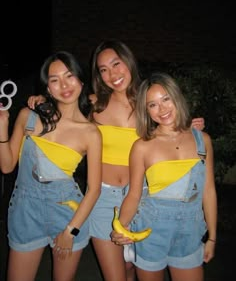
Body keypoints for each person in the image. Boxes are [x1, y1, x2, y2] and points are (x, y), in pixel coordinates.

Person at [27, 40, 205, 281]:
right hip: (103, 199)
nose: (112, 74)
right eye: (103, 70)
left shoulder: (149, 102)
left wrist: (189, 127)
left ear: (128, 62)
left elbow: (172, 124)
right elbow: (63, 104)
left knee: (134, 268)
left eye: (116, 64)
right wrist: (41, 99)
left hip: (143, 198)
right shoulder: (92, 103)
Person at [0, 51, 102, 281]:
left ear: (81, 80)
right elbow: (7, 166)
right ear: (47, 88)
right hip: (25, 212)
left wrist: (71, 230)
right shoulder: (29, 116)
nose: (63, 85)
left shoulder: (91, 132)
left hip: (67, 214)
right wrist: (1, 126)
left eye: (69, 76)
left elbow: (94, 189)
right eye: (54, 80)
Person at [111, 72, 217, 281]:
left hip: (191, 231)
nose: (162, 109)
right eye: (153, 105)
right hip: (151, 230)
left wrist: (212, 237)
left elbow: (209, 190)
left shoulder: (202, 140)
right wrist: (120, 227)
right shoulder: (142, 146)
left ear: (176, 97)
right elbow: (134, 195)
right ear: (146, 110)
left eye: (166, 99)